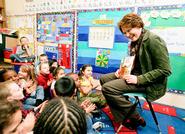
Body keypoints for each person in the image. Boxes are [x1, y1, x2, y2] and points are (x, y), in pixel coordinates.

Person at [100, 13, 171, 130]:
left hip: (149, 83)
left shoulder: (154, 40)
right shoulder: (135, 41)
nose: (127, 35)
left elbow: (165, 70)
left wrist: (139, 79)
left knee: (108, 88)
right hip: (136, 75)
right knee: (104, 79)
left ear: (138, 25)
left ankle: (134, 116)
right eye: (125, 33)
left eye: (129, 31)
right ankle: (124, 115)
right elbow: (134, 63)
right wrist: (122, 71)